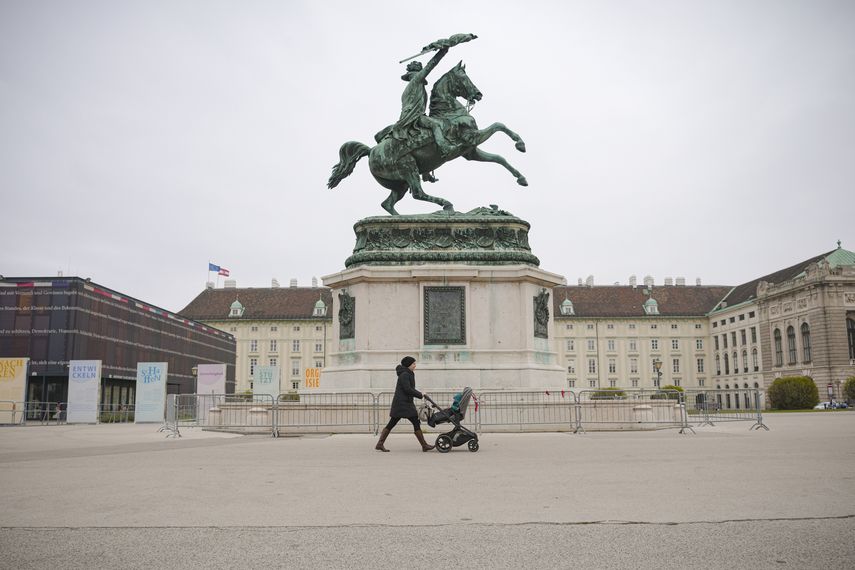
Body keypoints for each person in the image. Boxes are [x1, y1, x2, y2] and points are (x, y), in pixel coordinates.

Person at [375, 356, 435, 452]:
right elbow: (408, 389)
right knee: (413, 421)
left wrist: (420, 394)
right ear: (409, 365)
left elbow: (410, 388)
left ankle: (380, 444)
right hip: (403, 404)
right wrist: (420, 394)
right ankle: (424, 445)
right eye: (413, 364)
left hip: (404, 403)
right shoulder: (405, 375)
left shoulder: (408, 373)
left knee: (393, 423)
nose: (415, 365)